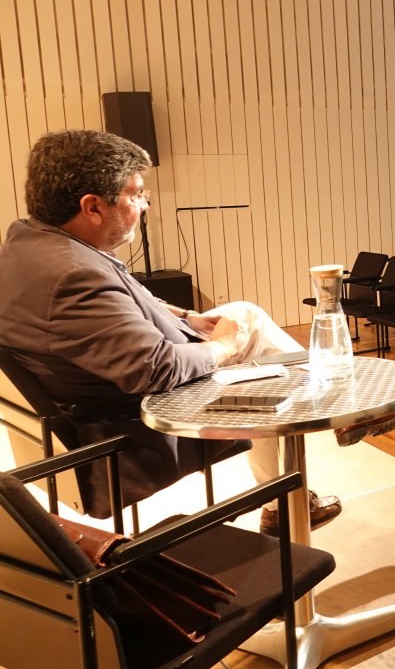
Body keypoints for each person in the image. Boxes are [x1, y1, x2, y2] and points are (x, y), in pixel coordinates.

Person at [0, 130, 341, 534]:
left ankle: (287, 490)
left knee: (245, 314)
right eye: (137, 194)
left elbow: (118, 298)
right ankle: (328, 424)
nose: (144, 205)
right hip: (138, 428)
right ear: (92, 206)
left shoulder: (28, 242)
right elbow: (158, 370)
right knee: (263, 370)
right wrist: (221, 347)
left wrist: (185, 317)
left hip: (98, 396)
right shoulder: (75, 274)